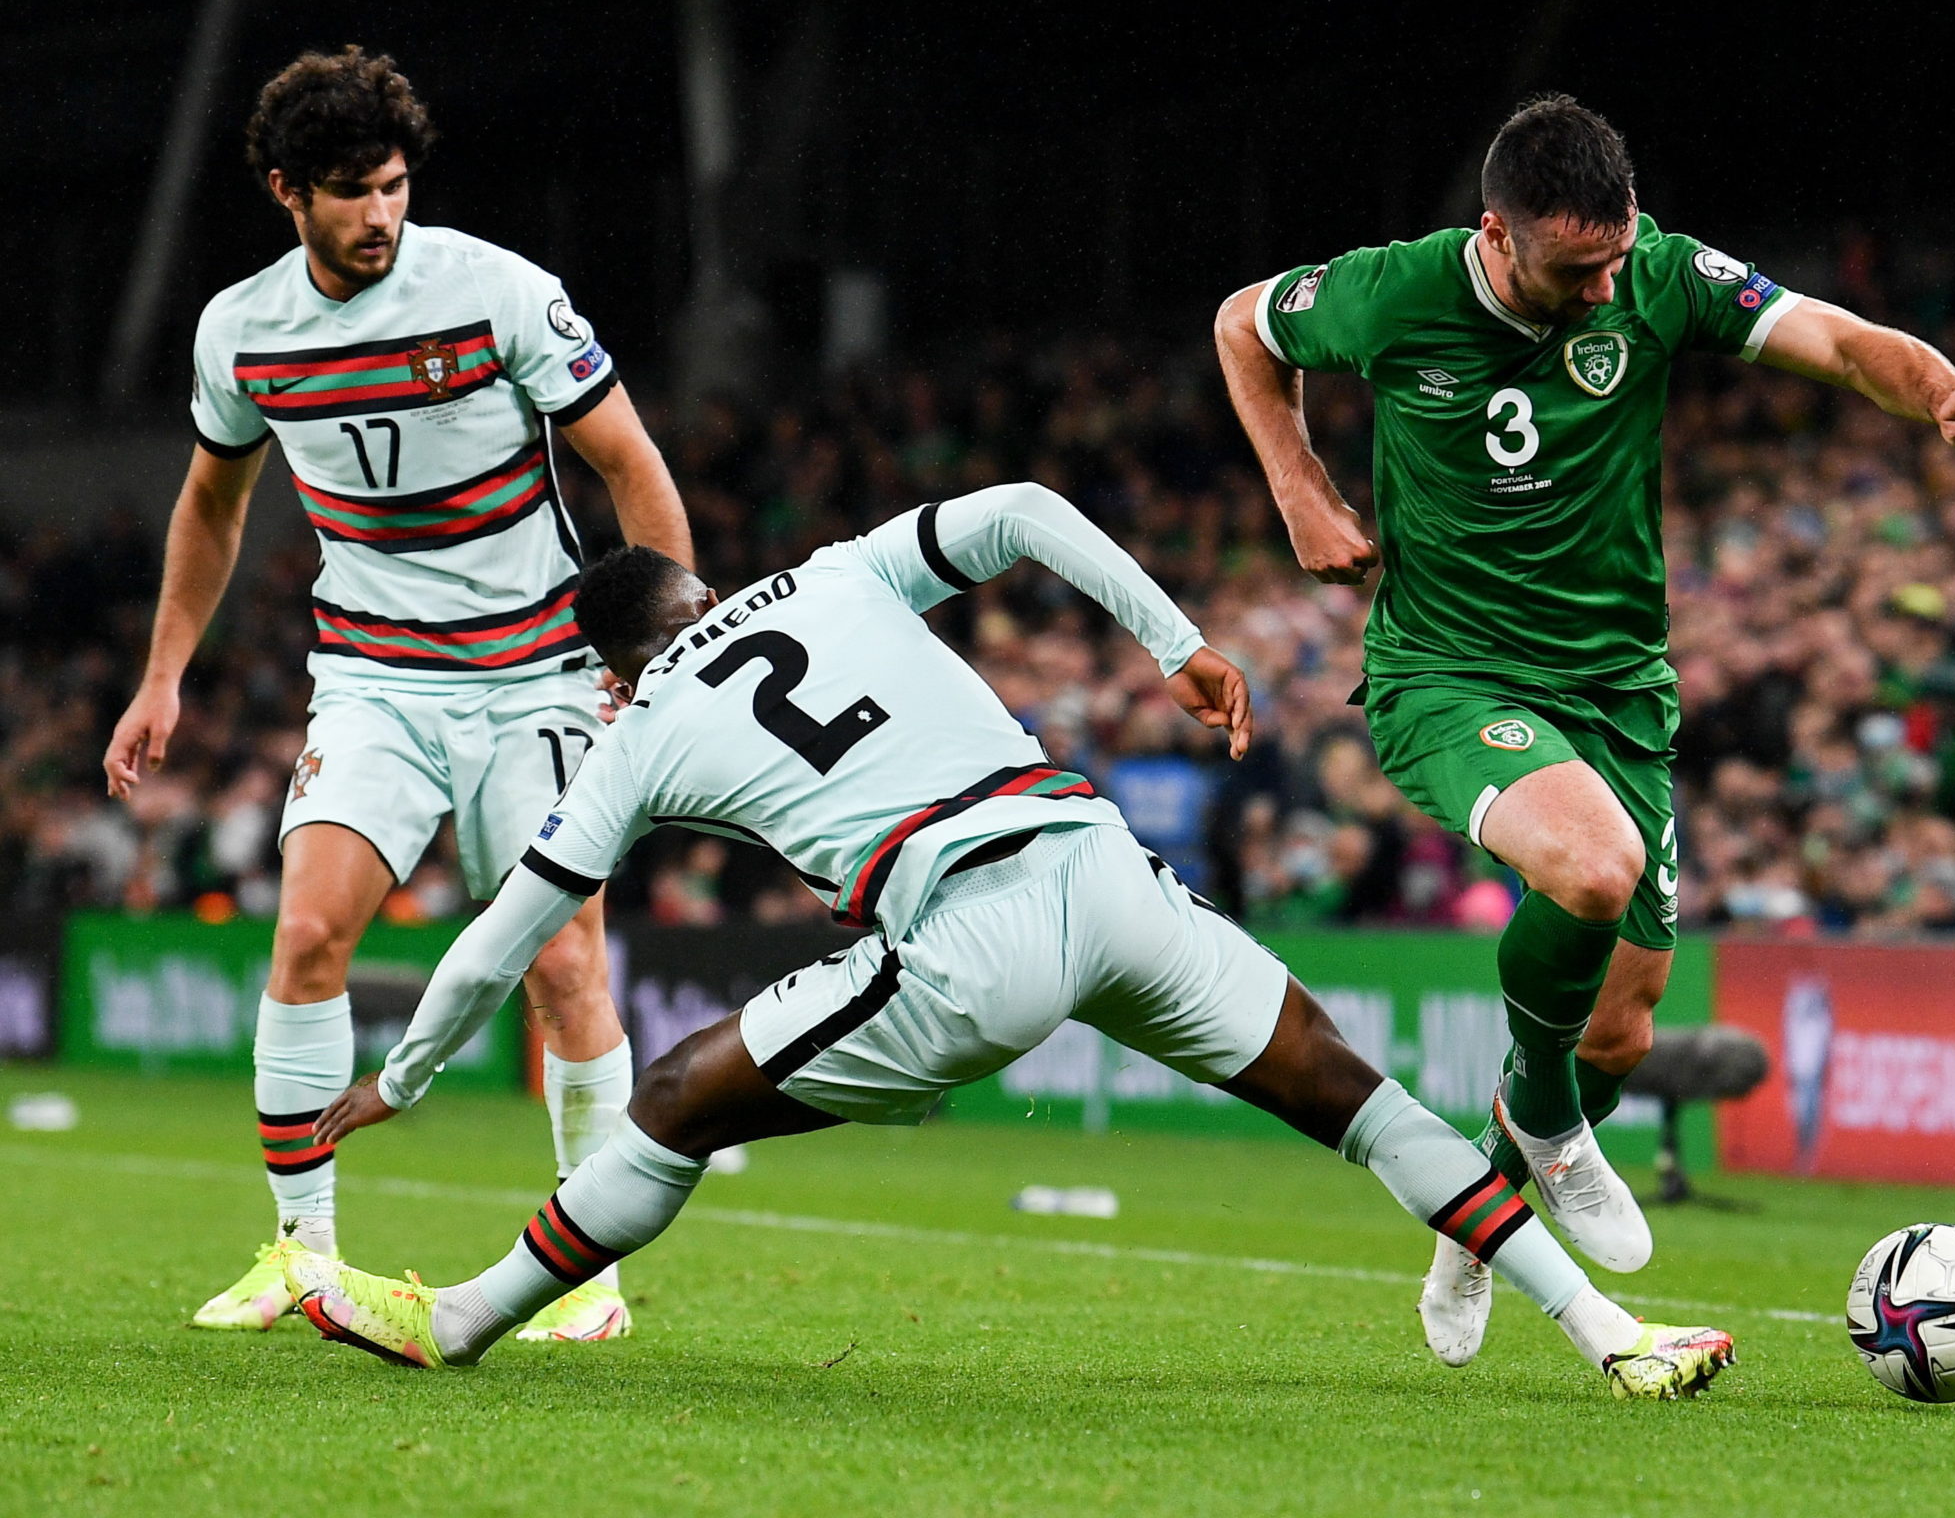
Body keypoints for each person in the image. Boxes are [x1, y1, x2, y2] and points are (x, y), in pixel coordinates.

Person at [282, 485, 1737, 1401]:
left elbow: (500, 939)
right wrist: (1174, 645)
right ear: (700, 595)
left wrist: (403, 1079)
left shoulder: (639, 728)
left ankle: (465, 1322)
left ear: (607, 666)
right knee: (1355, 1099)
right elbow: (1031, 510)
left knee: (670, 1101)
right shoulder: (838, 574)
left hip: (965, 933)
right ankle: (1614, 1333)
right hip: (1104, 872)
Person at [1212, 93, 1955, 1363]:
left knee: (1624, 1027)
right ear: (1496, 236)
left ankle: (1475, 1210)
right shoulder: (1388, 293)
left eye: (1616, 257)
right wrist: (1302, 490)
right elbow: (1239, 325)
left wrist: (1944, 389)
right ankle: (1540, 1117)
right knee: (1593, 869)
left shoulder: (1652, 274)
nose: (1604, 293)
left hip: (1618, 687)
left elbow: (1836, 339)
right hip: (1451, 673)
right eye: (1573, 270)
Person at [101, 47, 693, 1343]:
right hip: (374, 679)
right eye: (350, 192)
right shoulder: (243, 331)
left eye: (393, 186)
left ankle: (585, 1273)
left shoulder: (497, 295)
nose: (379, 214)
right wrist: (162, 675)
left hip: (535, 675)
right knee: (308, 934)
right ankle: (299, 1256)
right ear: (285, 193)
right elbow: (213, 502)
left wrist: (661, 651)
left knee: (564, 962)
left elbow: (631, 469)